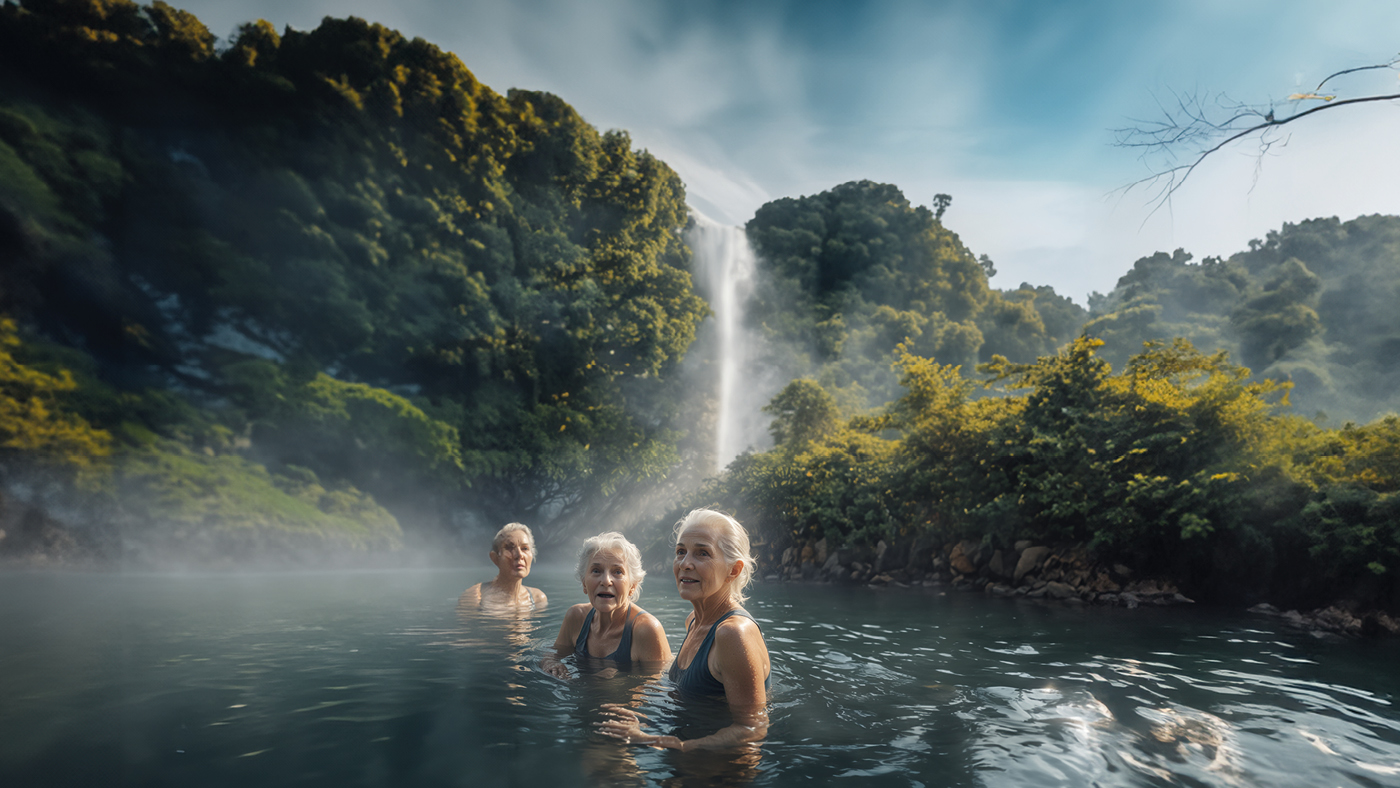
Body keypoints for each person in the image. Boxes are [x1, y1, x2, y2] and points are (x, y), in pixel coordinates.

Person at [596, 508, 771, 751]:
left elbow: (752, 730)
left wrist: (654, 741)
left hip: (719, 772)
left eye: (702, 553)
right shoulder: (694, 621)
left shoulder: (733, 634)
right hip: (687, 756)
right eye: (681, 552)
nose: (685, 563)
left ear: (733, 570)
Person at [542, 532, 671, 678]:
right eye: (596, 571)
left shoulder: (646, 630)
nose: (606, 581)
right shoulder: (576, 617)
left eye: (617, 572)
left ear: (632, 586)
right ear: (584, 583)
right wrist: (551, 664)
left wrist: (622, 691)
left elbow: (659, 689)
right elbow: (552, 654)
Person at [458, 523, 548, 612]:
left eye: (525, 548)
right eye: (509, 548)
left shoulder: (538, 599)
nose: (519, 555)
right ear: (495, 558)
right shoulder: (475, 598)